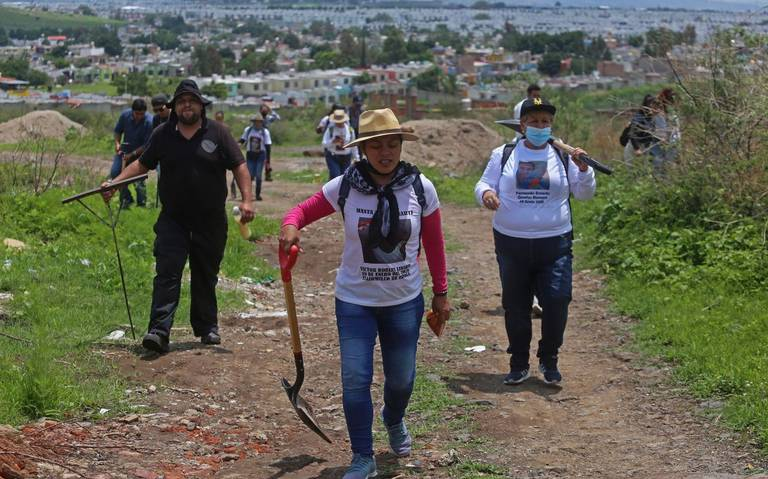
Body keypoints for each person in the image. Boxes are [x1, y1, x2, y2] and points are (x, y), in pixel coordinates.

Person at [280, 108, 450, 479]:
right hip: (355, 301)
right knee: (355, 378)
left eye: (392, 144)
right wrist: (290, 227)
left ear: (402, 146)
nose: (384, 152)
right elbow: (300, 211)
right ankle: (362, 456)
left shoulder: (421, 188)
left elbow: (434, 243)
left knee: (401, 378)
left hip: (404, 301)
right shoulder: (346, 186)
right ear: (363, 149)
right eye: (375, 145)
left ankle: (393, 418)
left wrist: (441, 292)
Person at [101, 79, 255, 353]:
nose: (187, 105)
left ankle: (207, 327)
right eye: (182, 101)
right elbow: (141, 163)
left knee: (206, 273)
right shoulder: (163, 134)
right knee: (167, 272)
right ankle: (159, 331)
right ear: (174, 107)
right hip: (174, 218)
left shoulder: (218, 133)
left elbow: (240, 166)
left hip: (210, 220)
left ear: (201, 106)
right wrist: (116, 183)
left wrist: (246, 200)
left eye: (192, 101)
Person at [475, 97, 596, 386]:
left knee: (557, 300)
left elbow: (584, 194)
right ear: (522, 125)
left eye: (545, 121)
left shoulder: (564, 156)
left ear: (551, 125)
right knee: (516, 305)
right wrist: (486, 195)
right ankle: (518, 363)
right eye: (534, 121)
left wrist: (583, 170)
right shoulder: (504, 154)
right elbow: (482, 184)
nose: (540, 126)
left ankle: (549, 359)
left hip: (554, 243)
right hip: (511, 242)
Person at [110, 98, 154, 208]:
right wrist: (117, 144)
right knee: (115, 173)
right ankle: (127, 199)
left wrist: (133, 154)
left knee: (139, 179)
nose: (139, 116)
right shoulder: (125, 116)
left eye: (141, 114)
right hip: (124, 152)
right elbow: (117, 131)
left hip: (140, 155)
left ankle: (142, 204)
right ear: (132, 111)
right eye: (137, 113)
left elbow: (147, 145)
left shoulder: (150, 121)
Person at [238, 113, 272, 201]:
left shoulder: (265, 132)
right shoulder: (248, 130)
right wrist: (237, 145)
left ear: (261, 122)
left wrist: (268, 160)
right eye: (255, 122)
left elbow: (268, 146)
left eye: (259, 122)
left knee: (258, 175)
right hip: (250, 155)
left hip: (260, 155)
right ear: (253, 122)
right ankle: (247, 195)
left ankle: (257, 195)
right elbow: (242, 140)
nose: (257, 124)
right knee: (249, 176)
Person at [322, 109, 359, 180]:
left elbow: (353, 145)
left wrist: (356, 158)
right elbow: (324, 144)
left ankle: (334, 189)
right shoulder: (330, 129)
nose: (338, 123)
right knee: (336, 176)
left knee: (344, 178)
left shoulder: (350, 130)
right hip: (333, 156)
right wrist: (332, 141)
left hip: (346, 157)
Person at [622, 94, 655, 169]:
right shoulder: (639, 116)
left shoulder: (653, 118)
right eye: (651, 105)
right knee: (633, 170)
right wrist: (637, 149)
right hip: (634, 147)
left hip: (646, 147)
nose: (653, 107)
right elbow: (632, 133)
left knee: (645, 170)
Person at [260, 103, 280, 182]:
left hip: (267, 141)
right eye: (263, 109)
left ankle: (267, 175)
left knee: (267, 159)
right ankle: (254, 174)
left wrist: (271, 110)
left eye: (266, 110)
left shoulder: (268, 118)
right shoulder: (257, 118)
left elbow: (278, 118)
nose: (264, 111)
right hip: (258, 140)